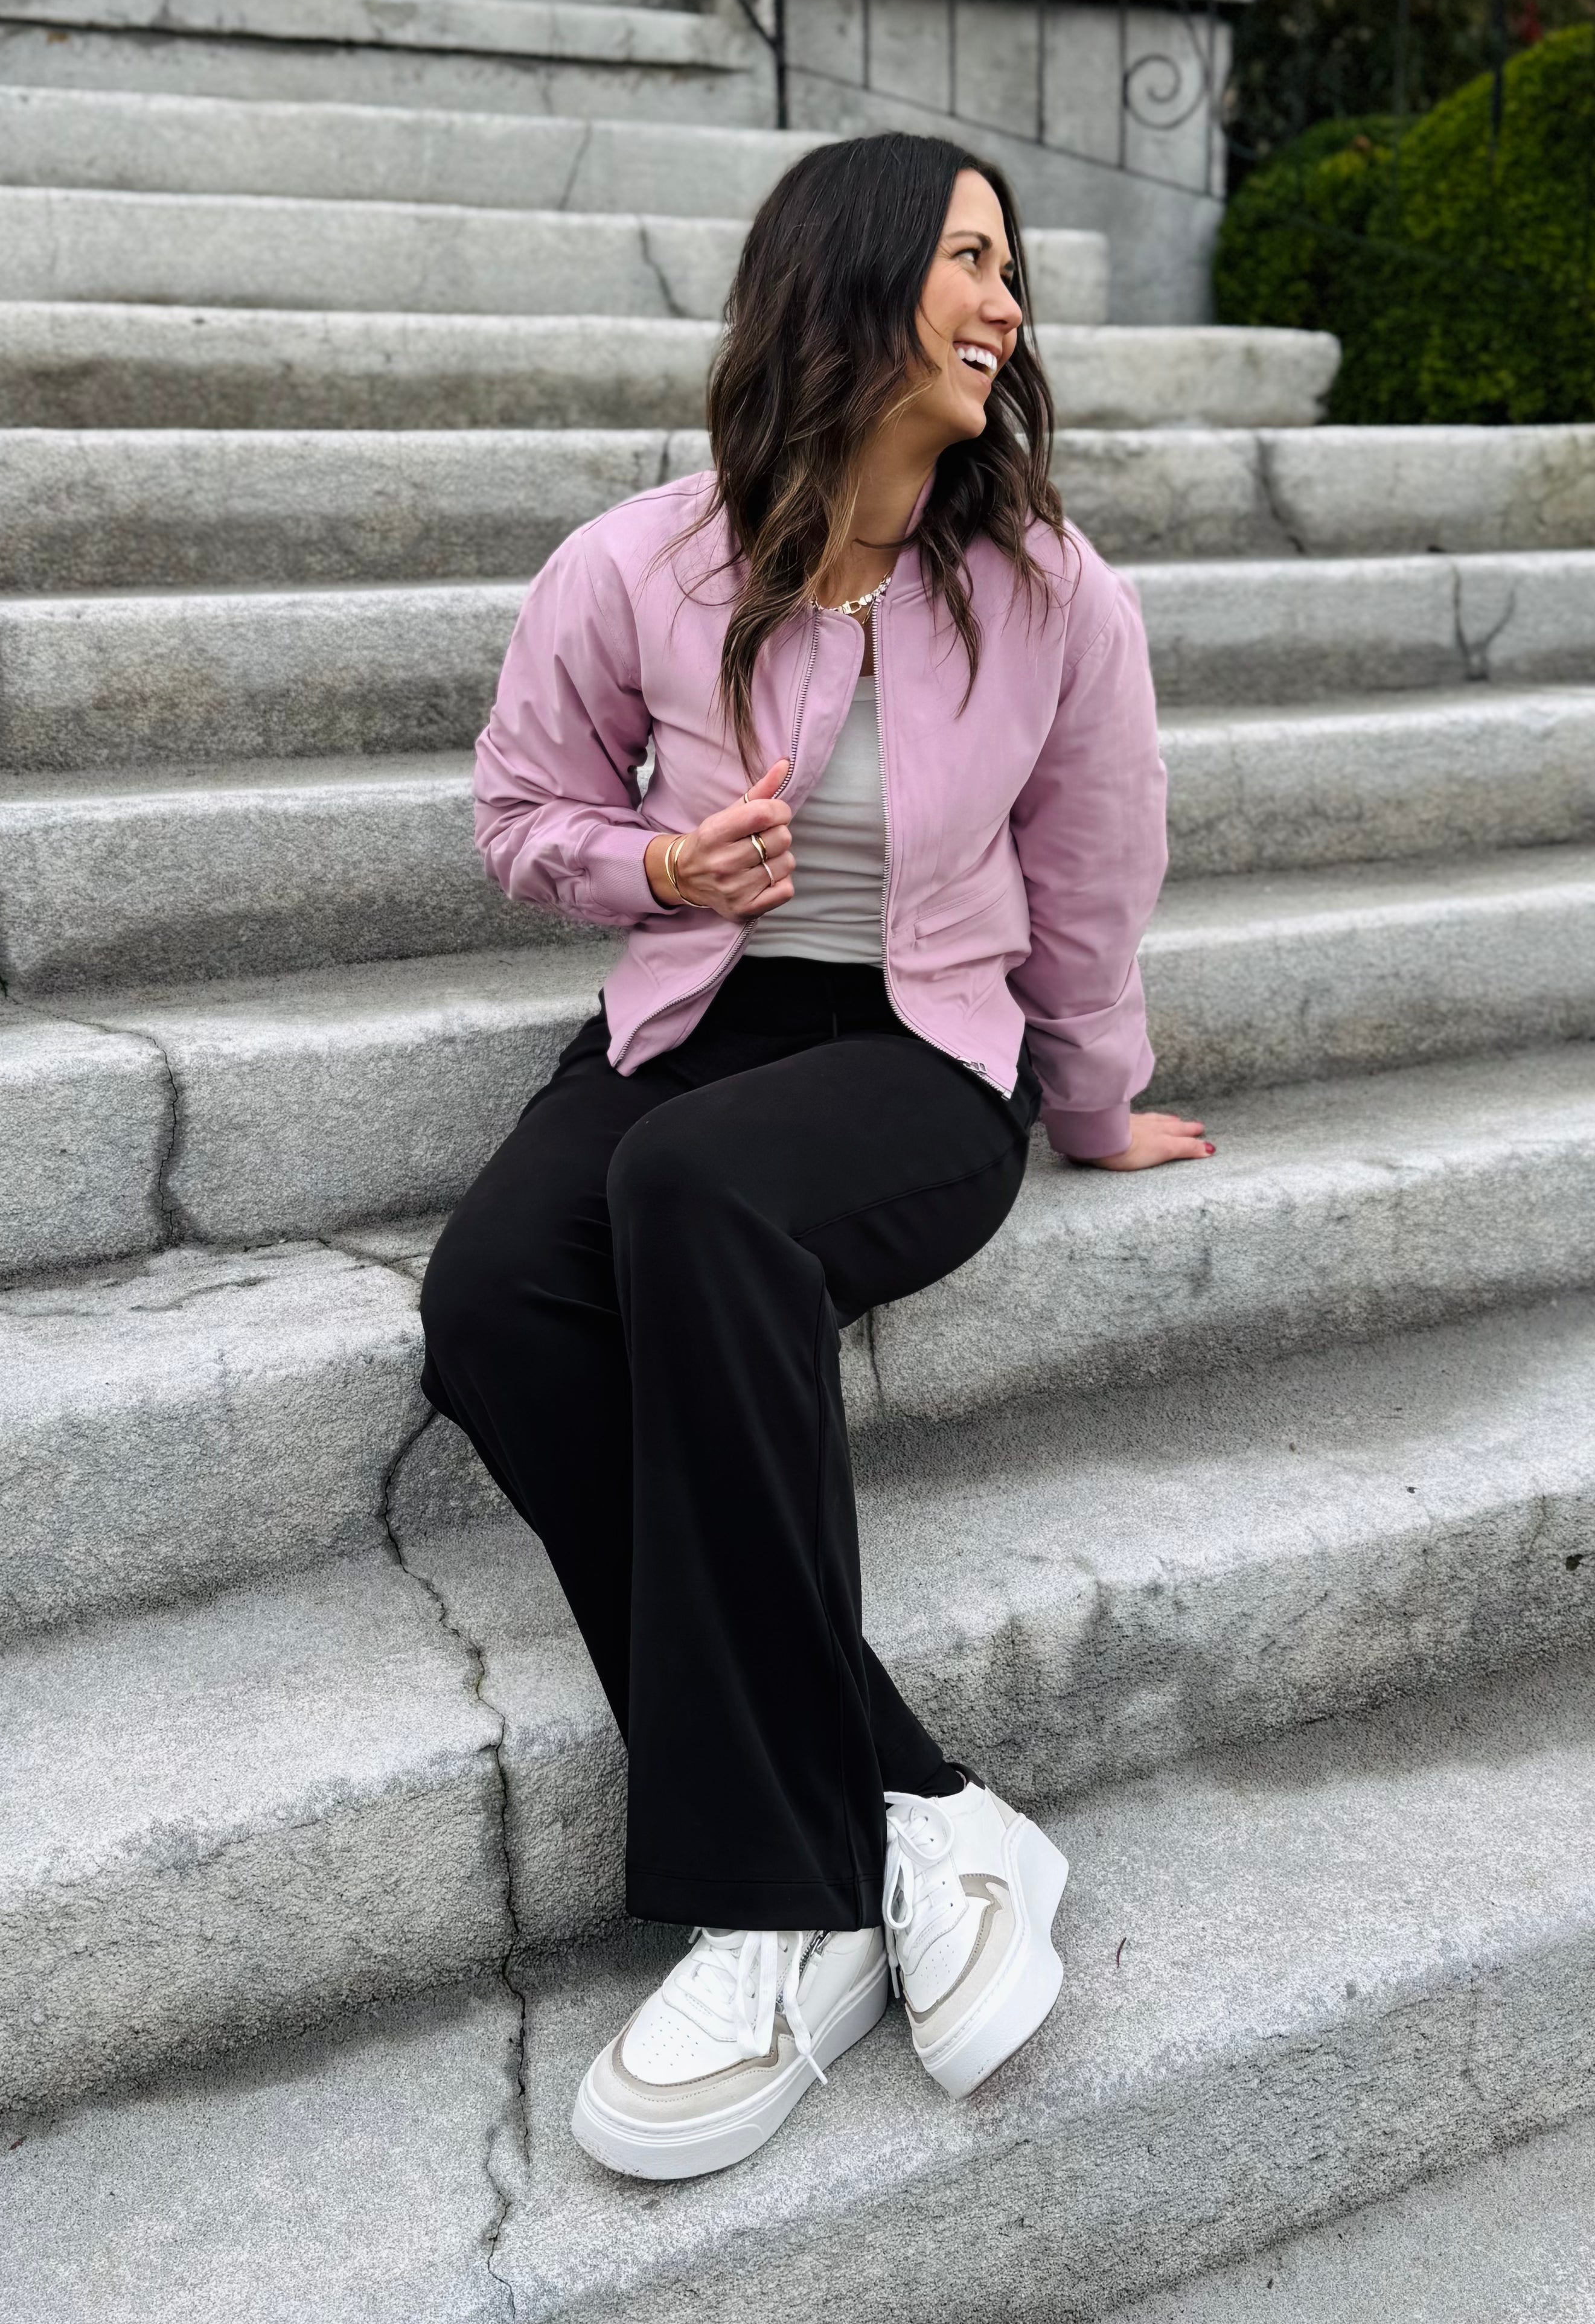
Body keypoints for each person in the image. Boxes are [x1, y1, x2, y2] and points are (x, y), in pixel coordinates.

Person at [420, 131, 1209, 2183]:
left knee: (691, 1195)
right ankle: (924, 1812)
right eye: (966, 257)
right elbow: (518, 813)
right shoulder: (637, 564)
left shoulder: (1047, 590)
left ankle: (774, 1904)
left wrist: (1093, 1096)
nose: (1004, 300)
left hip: (920, 1054)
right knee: (494, 1297)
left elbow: (1092, 870)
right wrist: (655, 866)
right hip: (697, 1019)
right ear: (847, 282)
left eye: (1010, 268)